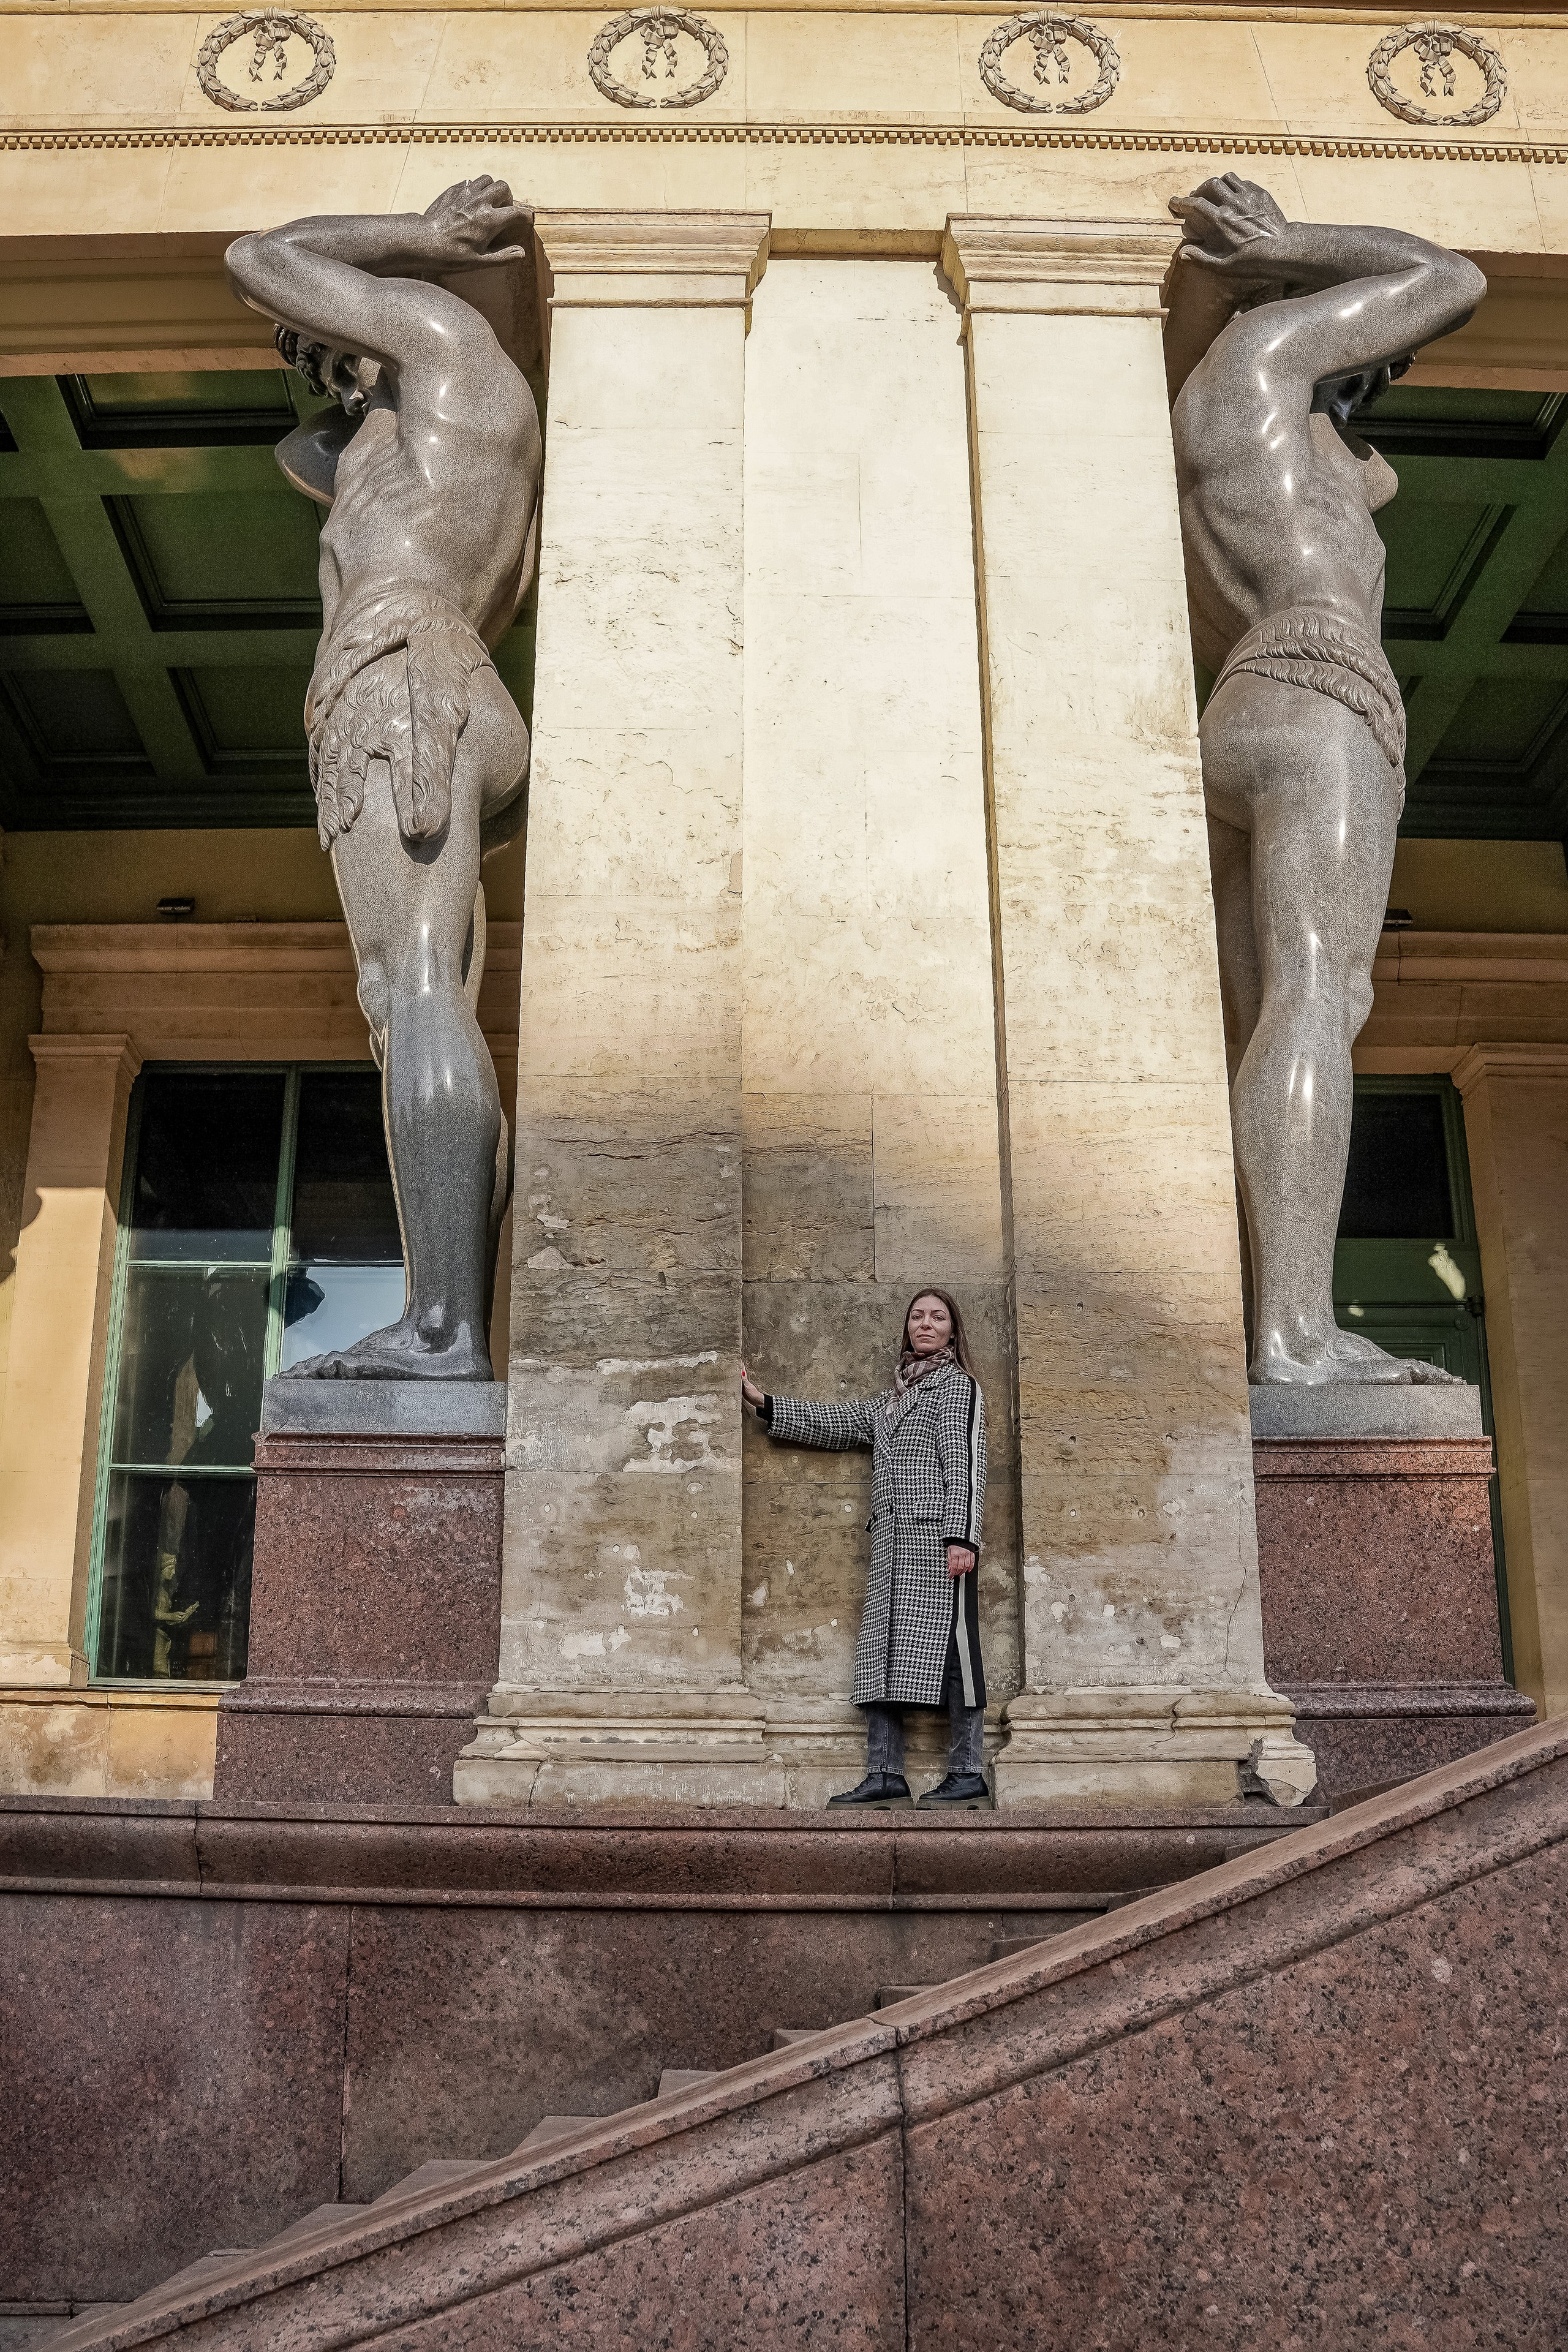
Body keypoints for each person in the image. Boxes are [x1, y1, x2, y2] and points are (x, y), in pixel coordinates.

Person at [1166, 175, 1485, 1386]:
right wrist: (1297, 247)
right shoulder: (1260, 357)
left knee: (1278, 1012)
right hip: (1323, 693)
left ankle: (1272, 1327)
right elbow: (1448, 280)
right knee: (1316, 999)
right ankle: (1294, 1337)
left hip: (1252, 698)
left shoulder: (1256, 418)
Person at [225, 178, 541, 1380]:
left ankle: (447, 1332)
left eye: (334, 339)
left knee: (411, 990)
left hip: (398, 672)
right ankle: (456, 1315)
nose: (323, 360)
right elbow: (301, 439)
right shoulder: (393, 441)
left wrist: (420, 241)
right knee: (412, 1000)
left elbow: (260, 250)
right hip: (444, 680)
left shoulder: (449, 344)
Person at [741, 1288, 989, 1811]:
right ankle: (884, 1774)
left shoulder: (958, 1387)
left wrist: (962, 1535)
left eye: (937, 1317)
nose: (926, 1324)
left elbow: (964, 1462)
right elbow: (841, 1422)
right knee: (881, 1656)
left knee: (954, 1655)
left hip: (939, 1541)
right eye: (917, 1317)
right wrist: (765, 1403)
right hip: (892, 1546)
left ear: (952, 1331)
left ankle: (968, 1771)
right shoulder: (892, 1399)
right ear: (907, 1329)